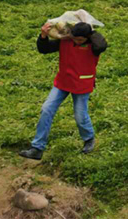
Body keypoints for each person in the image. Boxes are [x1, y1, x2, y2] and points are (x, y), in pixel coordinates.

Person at [19, 22, 108, 160]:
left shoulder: (94, 46)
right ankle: (37, 148)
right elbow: (44, 49)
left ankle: (89, 139)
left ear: (88, 37)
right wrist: (43, 35)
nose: (77, 42)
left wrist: (92, 32)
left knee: (80, 115)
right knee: (46, 109)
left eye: (81, 40)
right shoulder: (65, 42)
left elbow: (102, 45)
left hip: (82, 85)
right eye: (75, 38)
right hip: (63, 82)